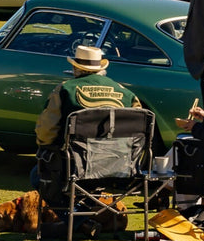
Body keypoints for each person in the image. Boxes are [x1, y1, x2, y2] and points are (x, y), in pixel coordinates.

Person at [31, 44, 143, 190]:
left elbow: (47, 130)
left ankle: (71, 211)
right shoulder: (126, 93)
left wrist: (45, 147)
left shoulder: (65, 89)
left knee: (36, 175)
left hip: (74, 168)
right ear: (101, 69)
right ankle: (90, 207)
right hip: (119, 169)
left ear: (75, 68)